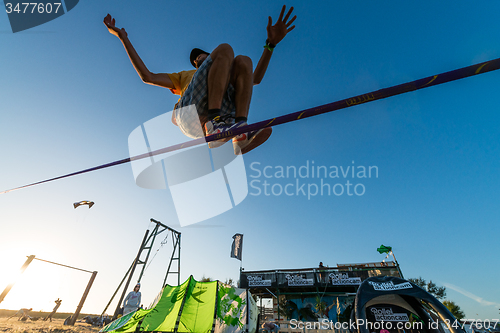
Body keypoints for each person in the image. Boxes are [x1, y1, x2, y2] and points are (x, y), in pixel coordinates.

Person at [103, 6, 296, 155]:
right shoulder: (184, 76)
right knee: (226, 48)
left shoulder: (224, 70)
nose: (201, 59)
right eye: (198, 60)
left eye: (204, 56)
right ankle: (214, 123)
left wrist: (270, 45)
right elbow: (148, 77)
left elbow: (255, 79)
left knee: (244, 61)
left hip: (222, 111)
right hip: (191, 114)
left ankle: (240, 134)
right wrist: (122, 38)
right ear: (197, 64)